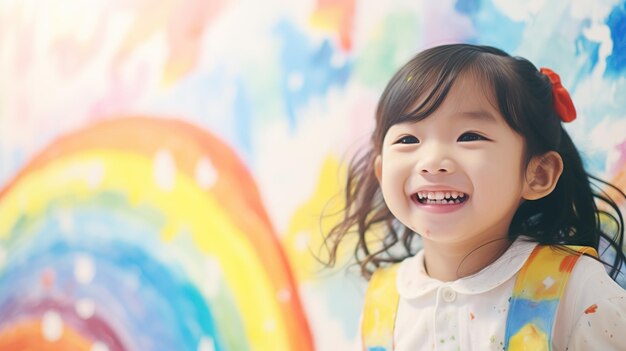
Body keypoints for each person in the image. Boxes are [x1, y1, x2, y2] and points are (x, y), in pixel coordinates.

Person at [324, 44, 626, 350]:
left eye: (469, 136)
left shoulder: (575, 290)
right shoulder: (382, 300)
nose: (432, 161)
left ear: (538, 174)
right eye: (408, 139)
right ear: (381, 171)